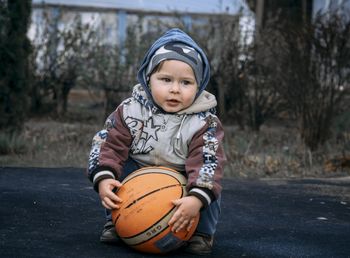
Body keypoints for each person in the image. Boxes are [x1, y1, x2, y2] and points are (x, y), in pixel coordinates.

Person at [87, 28, 226, 255]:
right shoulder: (130, 110)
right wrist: (103, 177)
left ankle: (201, 232)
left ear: (199, 86)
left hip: (182, 176)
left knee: (208, 185)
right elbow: (108, 144)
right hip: (139, 173)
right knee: (116, 175)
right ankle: (118, 221)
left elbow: (208, 161)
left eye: (186, 83)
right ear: (148, 79)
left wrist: (197, 198)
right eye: (165, 79)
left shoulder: (204, 122)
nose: (174, 89)